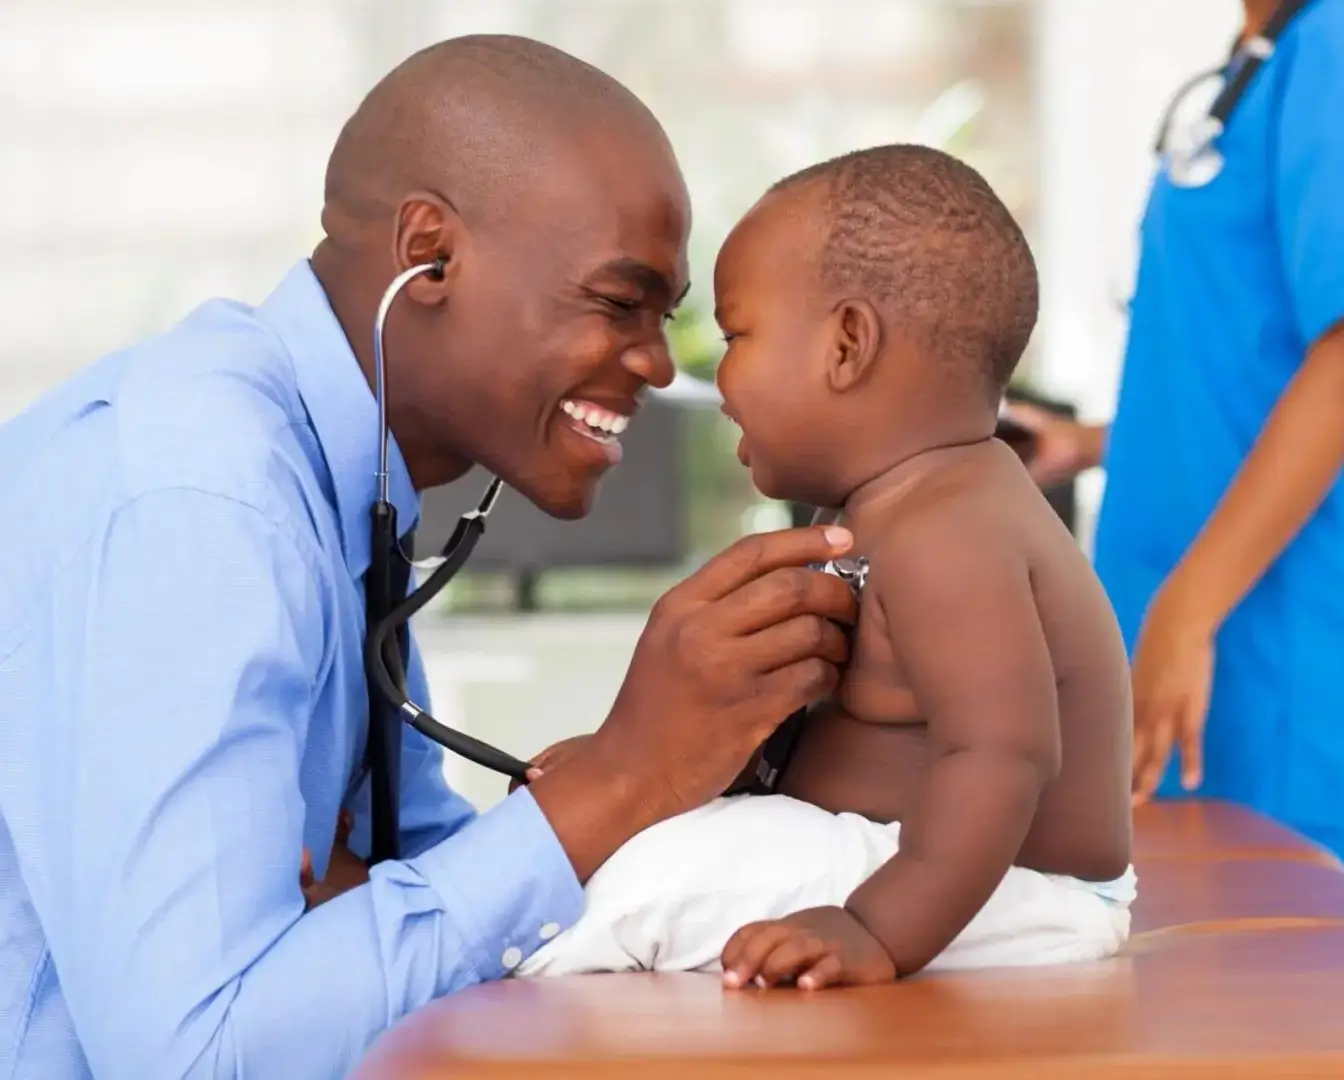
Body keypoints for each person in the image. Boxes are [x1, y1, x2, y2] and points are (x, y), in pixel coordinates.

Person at [0, 37, 862, 1079]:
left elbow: (400, 882)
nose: (650, 357)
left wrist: (643, 784)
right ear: (431, 255)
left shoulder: (343, 484)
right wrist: (622, 778)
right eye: (616, 301)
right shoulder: (199, 505)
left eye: (663, 316)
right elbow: (203, 1052)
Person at [507, 145, 1136, 987]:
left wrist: (874, 928)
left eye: (735, 336)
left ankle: (457, 962)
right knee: (637, 846)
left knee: (635, 889)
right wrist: (628, 779)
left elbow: (1003, 758)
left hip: (996, 889)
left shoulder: (951, 534)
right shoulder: (884, 509)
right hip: (916, 863)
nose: (715, 378)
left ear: (846, 345)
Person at [1007, 0, 1344, 895]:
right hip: (1205, 630)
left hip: (1289, 642)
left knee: (1306, 993)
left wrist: (1186, 615)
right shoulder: (1263, 58)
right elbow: (1250, 359)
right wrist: (1093, 443)